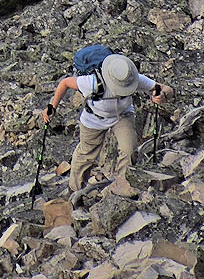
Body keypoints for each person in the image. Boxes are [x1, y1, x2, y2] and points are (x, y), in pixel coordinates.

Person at [44, 53, 173, 197]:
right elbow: (65, 83)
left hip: (122, 116)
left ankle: (124, 186)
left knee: (129, 149)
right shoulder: (92, 82)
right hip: (94, 118)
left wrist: (163, 96)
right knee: (86, 154)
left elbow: (165, 89)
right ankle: (75, 191)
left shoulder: (132, 78)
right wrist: (52, 107)